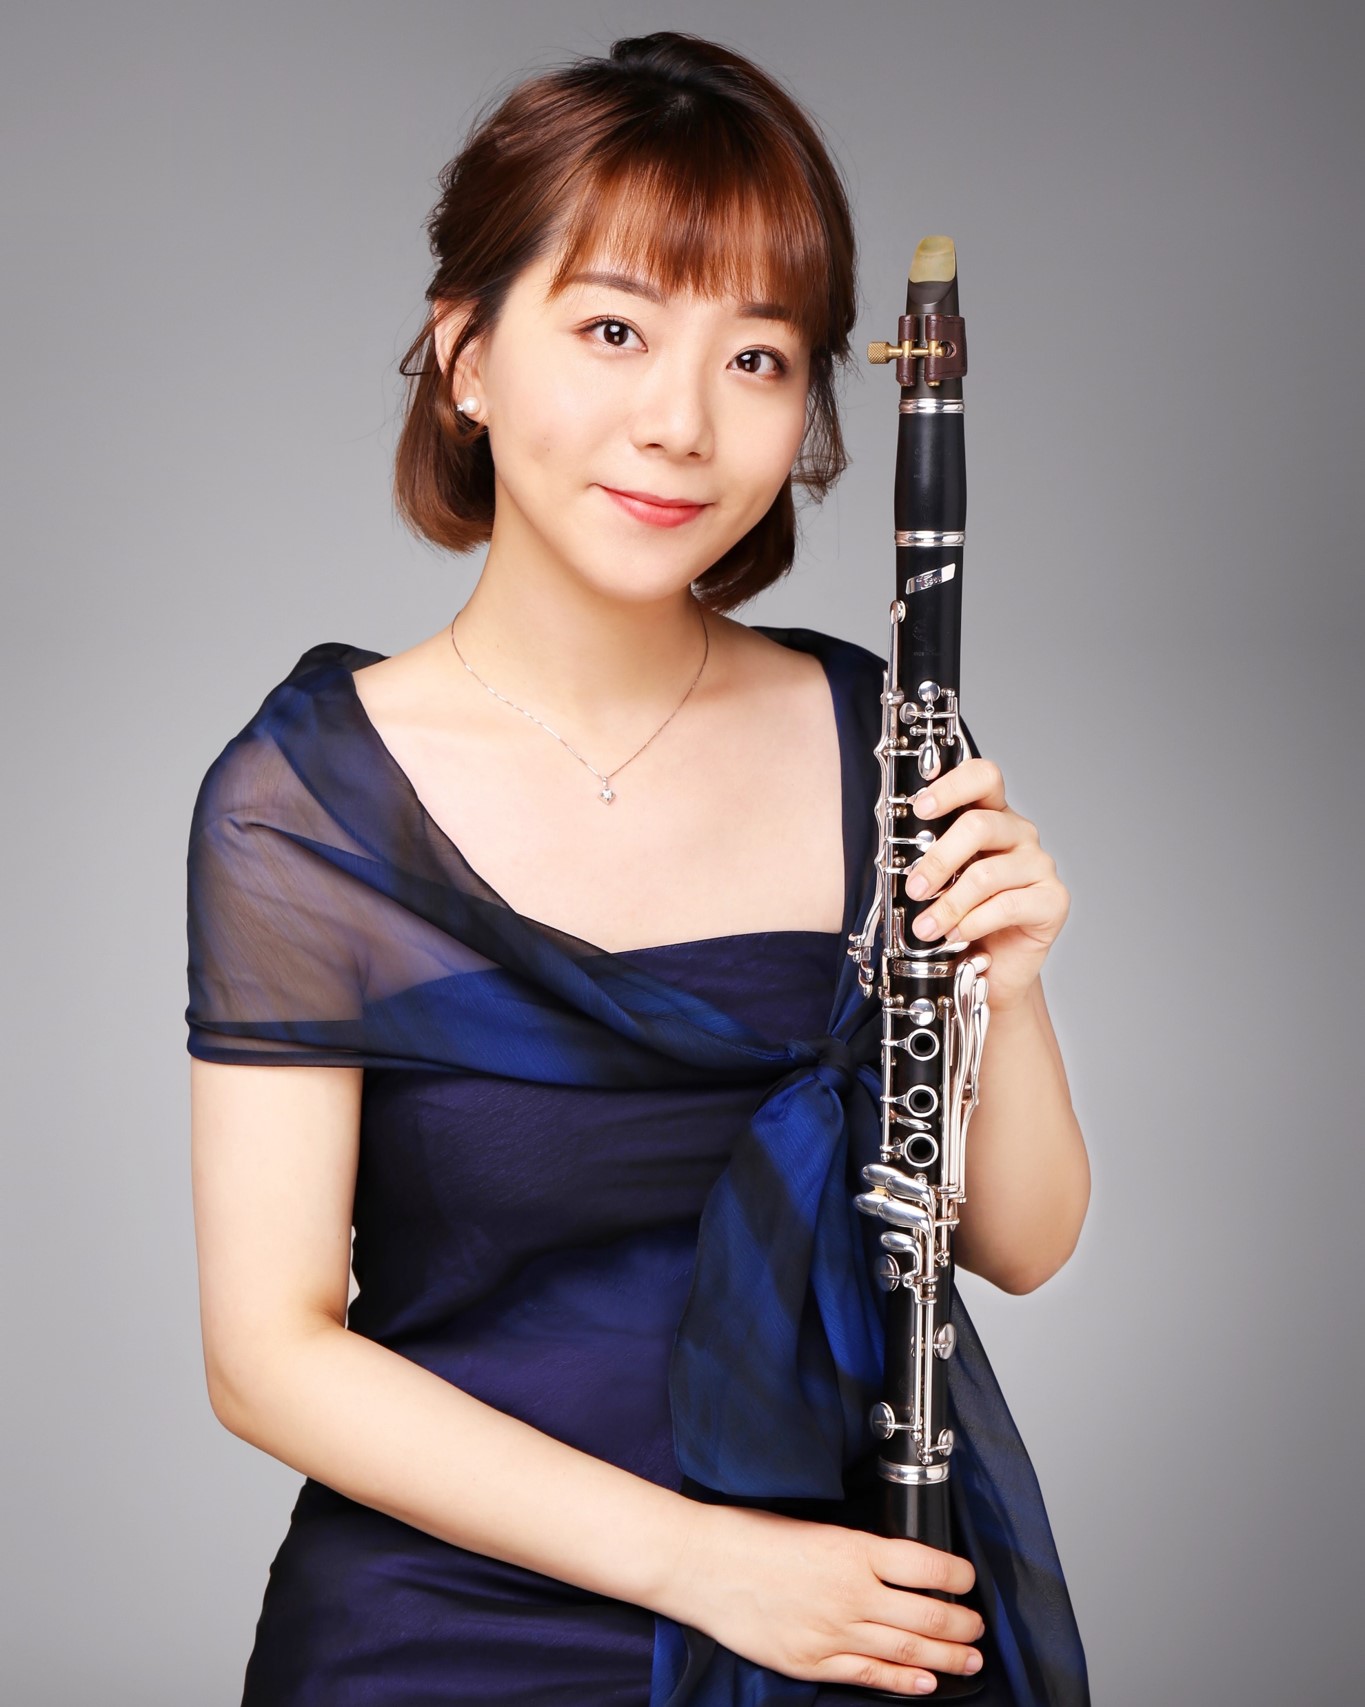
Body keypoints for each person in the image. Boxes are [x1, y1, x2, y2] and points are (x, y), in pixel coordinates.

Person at [186, 30, 1091, 1707]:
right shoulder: (299, 801)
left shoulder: (877, 731)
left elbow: (1020, 1243)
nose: (679, 423)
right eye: (613, 330)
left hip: (856, 1615)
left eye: (755, 357)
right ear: (464, 355)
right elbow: (268, 1355)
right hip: (448, 1640)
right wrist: (707, 1568)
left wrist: (1010, 989)